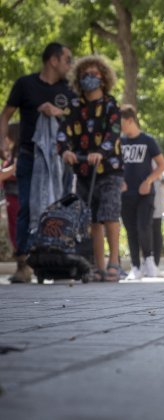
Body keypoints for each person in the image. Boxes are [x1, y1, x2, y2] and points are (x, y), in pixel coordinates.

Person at [0, 42, 74, 283]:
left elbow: (79, 116)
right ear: (53, 60)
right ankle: (24, 265)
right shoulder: (25, 84)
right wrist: (2, 142)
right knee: (26, 208)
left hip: (60, 160)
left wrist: (58, 112)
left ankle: (55, 262)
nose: (69, 65)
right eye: (67, 59)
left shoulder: (69, 90)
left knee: (59, 209)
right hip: (30, 157)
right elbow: (6, 115)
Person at [57, 55, 124, 283]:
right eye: (85, 75)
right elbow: (63, 133)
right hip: (84, 171)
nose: (89, 79)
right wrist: (65, 150)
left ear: (103, 79)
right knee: (93, 218)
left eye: (94, 75)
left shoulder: (110, 105)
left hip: (109, 169)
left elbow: (113, 133)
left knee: (110, 215)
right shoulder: (74, 107)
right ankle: (98, 265)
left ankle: (114, 261)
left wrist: (101, 152)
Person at [119, 104, 164, 280]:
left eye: (121, 122)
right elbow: (114, 165)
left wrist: (148, 181)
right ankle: (135, 266)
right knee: (130, 230)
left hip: (145, 194)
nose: (119, 127)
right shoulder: (119, 142)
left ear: (130, 120)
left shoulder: (147, 141)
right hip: (125, 194)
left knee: (144, 226)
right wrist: (119, 181)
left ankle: (149, 260)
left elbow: (162, 165)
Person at [0, 124, 20, 252]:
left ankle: (21, 254)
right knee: (13, 226)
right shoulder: (11, 155)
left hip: (16, 195)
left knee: (15, 226)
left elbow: (5, 174)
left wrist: (11, 169)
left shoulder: (18, 153)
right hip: (11, 194)